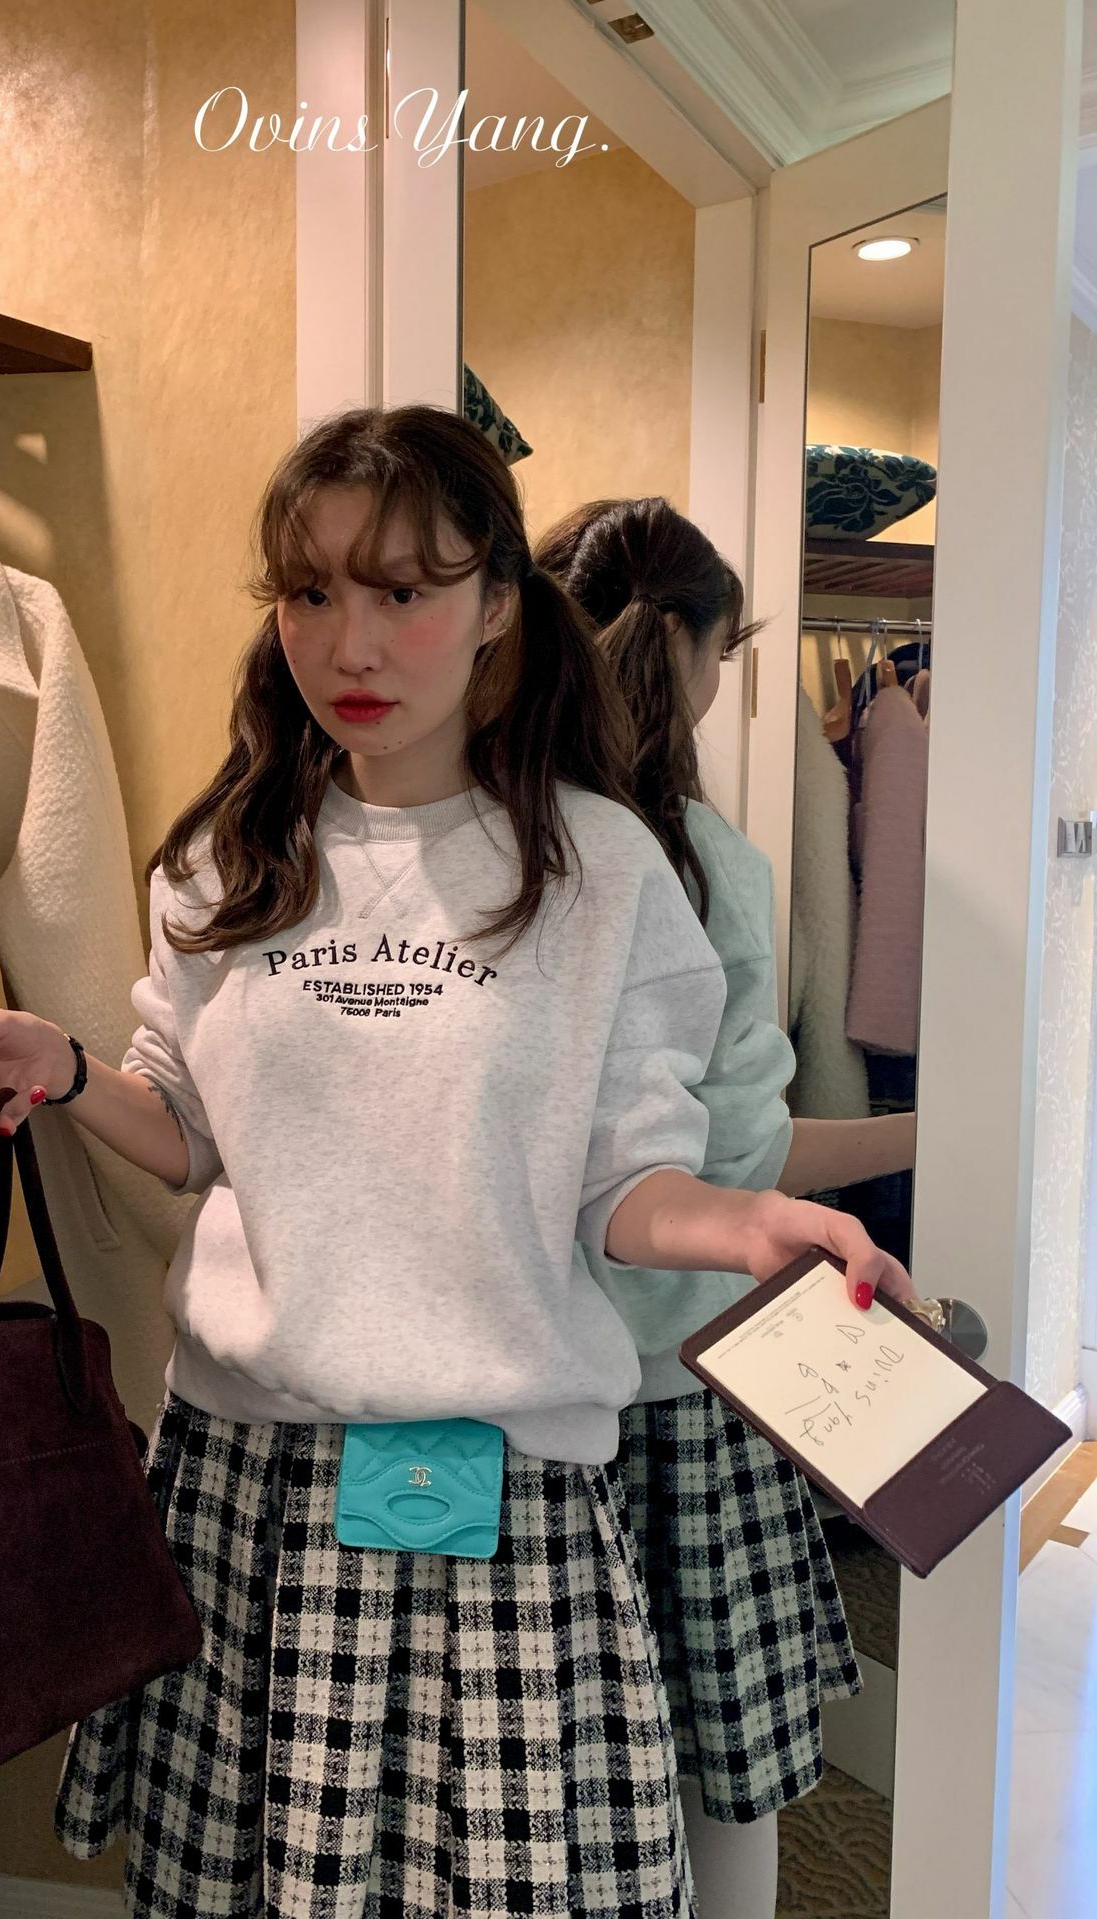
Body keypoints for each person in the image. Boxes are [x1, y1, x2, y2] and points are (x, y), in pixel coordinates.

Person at [0, 411, 909, 1919]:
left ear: (498, 602)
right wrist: (62, 1068)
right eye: (310, 593)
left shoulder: (601, 869)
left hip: (505, 1492)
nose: (350, 643)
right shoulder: (227, 856)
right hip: (248, 1473)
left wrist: (751, 1225)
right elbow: (190, 1134)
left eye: (403, 591)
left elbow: (622, 1184)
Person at [537, 494, 918, 1919]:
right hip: (685, 1388)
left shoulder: (479, 839)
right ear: (701, 653)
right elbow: (743, 1160)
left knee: (526, 1791)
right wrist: (945, 1135)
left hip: (509, 1385)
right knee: (722, 1778)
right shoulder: (704, 863)